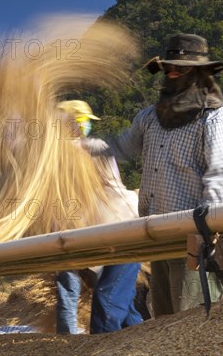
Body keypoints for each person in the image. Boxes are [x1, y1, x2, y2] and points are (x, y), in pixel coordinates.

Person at [105, 33, 223, 316]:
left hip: (192, 239)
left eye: (183, 68)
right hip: (159, 238)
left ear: (201, 73)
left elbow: (220, 177)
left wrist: (205, 232)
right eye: (170, 68)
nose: (173, 72)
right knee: (164, 320)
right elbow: (121, 147)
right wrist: (78, 149)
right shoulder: (150, 117)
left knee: (190, 319)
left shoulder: (214, 118)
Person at [55, 100, 143, 334]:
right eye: (83, 122)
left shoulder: (93, 147)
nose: (85, 127)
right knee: (124, 304)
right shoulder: (65, 154)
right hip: (100, 232)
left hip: (121, 227)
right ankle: (145, 341)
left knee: (107, 303)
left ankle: (104, 345)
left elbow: (72, 152)